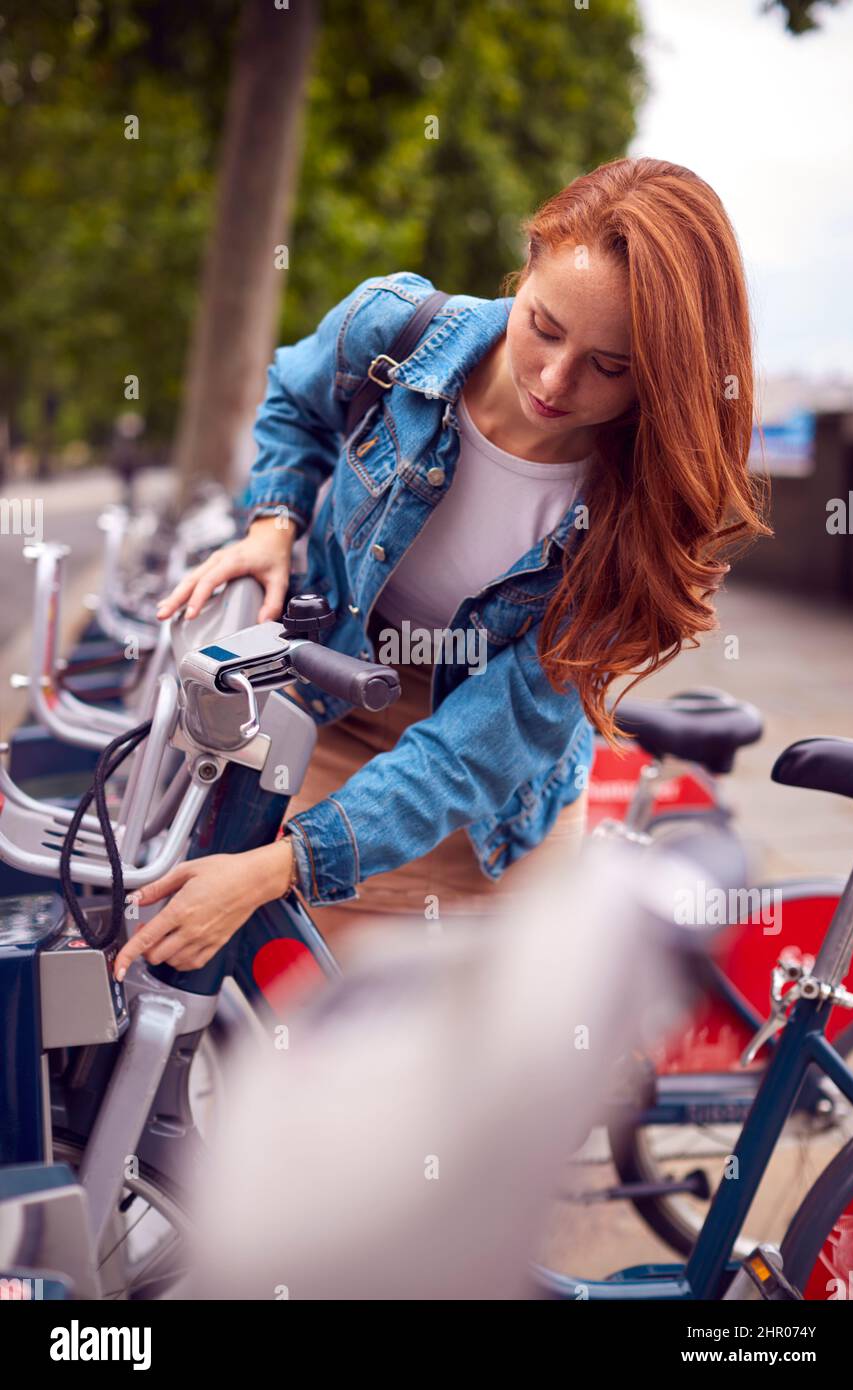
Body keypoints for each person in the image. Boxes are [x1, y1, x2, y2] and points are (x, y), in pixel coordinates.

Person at [113, 155, 770, 983]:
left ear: (665, 379)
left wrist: (277, 867)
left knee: (484, 1088)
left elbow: (474, 753)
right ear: (527, 264)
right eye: (546, 326)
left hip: (490, 812)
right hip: (325, 716)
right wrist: (274, 522)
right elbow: (294, 400)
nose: (555, 381)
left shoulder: (638, 519)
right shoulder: (394, 333)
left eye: (611, 367)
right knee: (296, 1048)